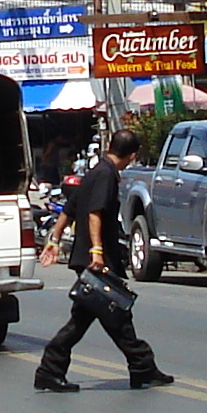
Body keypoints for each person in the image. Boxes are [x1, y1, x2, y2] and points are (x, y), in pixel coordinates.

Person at [37, 133, 172, 393]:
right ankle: (51, 369)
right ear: (132, 155)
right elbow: (94, 213)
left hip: (88, 256)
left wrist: (54, 239)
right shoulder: (106, 175)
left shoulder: (96, 171)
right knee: (108, 316)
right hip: (96, 259)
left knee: (106, 315)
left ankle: (141, 366)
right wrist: (97, 253)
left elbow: (69, 209)